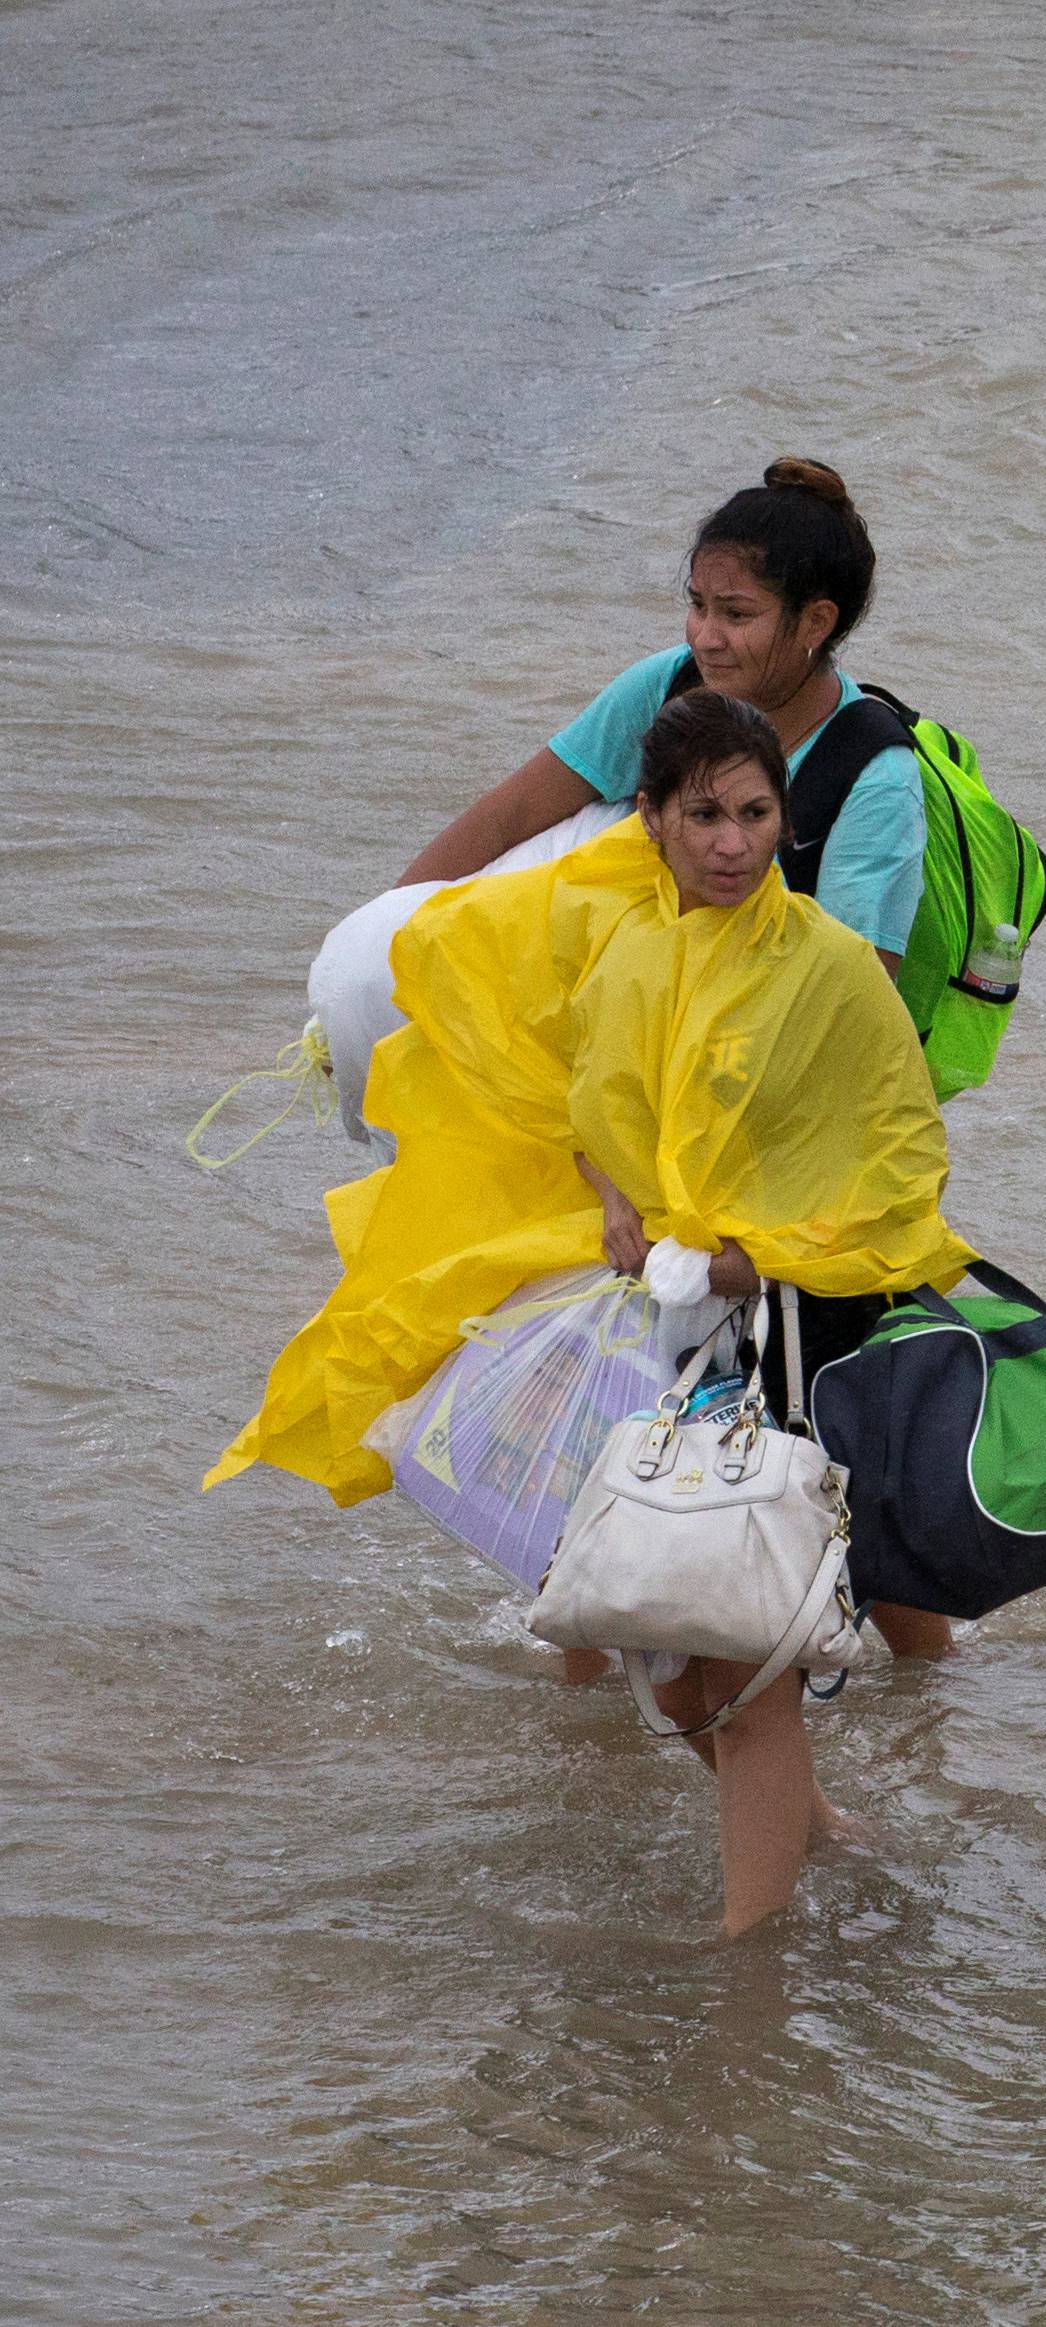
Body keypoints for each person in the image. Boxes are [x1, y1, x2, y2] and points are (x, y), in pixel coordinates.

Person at [207, 689, 976, 1934]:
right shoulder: (636, 954)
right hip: (664, 1324)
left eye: (755, 813)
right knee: (666, 1662)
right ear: (655, 826)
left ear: (784, 822)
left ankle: (749, 1966)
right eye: (703, 814)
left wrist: (752, 1253)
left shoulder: (830, 969)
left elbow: (895, 1162)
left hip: (796, 1321)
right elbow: (598, 1106)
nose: (732, 841)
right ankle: (815, 1833)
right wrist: (619, 1197)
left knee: (739, 1645)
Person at [399, 455, 928, 977]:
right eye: (698, 606)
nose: (705, 638)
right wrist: (381, 942)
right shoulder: (669, 684)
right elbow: (513, 814)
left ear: (816, 622)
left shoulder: (875, 781)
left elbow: (853, 994)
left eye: (736, 614)